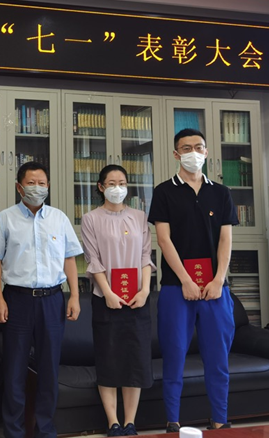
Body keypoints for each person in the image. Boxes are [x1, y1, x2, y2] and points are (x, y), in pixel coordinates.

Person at [148, 128, 238, 433]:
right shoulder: (164, 191)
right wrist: (185, 280)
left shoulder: (221, 193)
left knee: (218, 359)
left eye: (198, 147)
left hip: (216, 289)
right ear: (176, 154)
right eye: (186, 148)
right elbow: (163, 239)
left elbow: (225, 240)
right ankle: (173, 422)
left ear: (206, 152)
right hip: (176, 289)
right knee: (174, 356)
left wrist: (218, 280)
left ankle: (220, 420)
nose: (193, 153)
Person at [0, 161, 84, 438]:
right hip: (17, 300)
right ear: (19, 187)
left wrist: (75, 296)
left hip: (52, 300)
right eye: (31, 183)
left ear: (48, 186)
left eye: (42, 183)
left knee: (49, 370)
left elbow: (69, 259)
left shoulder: (59, 219)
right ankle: (13, 432)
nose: (37, 188)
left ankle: (45, 431)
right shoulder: (5, 218)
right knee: (14, 371)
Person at [81, 164, 155, 437]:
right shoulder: (90, 219)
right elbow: (93, 260)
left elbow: (145, 256)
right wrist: (108, 293)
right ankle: (113, 422)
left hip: (137, 299)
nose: (117, 188)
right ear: (101, 187)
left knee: (135, 359)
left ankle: (130, 422)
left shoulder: (139, 217)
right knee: (109, 359)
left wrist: (145, 290)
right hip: (106, 300)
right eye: (111, 183)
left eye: (122, 183)